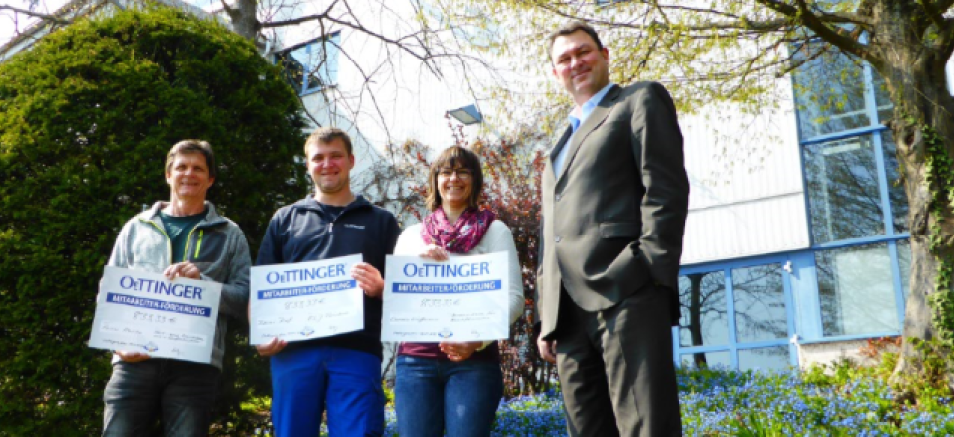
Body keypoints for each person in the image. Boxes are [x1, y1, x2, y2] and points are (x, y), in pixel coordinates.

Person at [536, 21, 690, 436]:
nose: (575, 63)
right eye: (564, 59)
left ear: (604, 56)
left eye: (583, 52)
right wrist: (546, 318)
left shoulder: (639, 100)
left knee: (645, 426)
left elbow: (665, 190)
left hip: (626, 291)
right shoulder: (560, 140)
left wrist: (646, 269)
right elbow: (550, 232)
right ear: (556, 73)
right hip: (567, 315)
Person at [254, 127, 401, 437]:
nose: (327, 164)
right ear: (307, 165)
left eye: (335, 156)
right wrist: (260, 337)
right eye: (318, 158)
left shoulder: (381, 221)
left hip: (356, 352)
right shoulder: (285, 219)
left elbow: (404, 294)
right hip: (293, 351)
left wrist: (382, 288)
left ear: (350, 160)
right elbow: (261, 291)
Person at [102, 140, 251, 436]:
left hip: (195, 365)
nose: (189, 174)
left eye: (198, 168)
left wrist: (203, 286)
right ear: (168, 175)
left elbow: (244, 298)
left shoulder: (230, 233)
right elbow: (108, 292)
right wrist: (117, 344)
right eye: (181, 167)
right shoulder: (136, 228)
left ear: (210, 180)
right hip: (134, 360)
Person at [391, 146, 525, 437]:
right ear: (435, 180)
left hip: (473, 364)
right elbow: (396, 300)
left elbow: (514, 300)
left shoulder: (495, 231)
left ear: (474, 180)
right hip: (415, 362)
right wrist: (416, 263)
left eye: (463, 171)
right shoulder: (411, 237)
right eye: (446, 171)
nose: (454, 178)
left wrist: (477, 340)